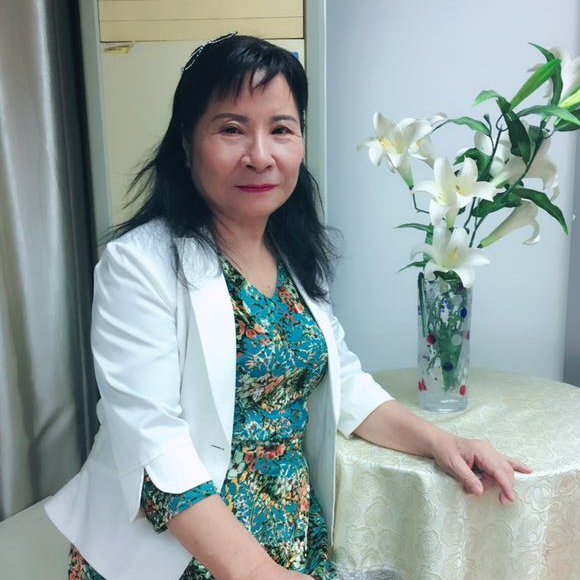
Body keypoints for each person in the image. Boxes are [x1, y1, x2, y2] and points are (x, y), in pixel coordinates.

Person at [45, 34, 531, 580]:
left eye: (281, 129)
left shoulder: (292, 252)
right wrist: (256, 571)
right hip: (181, 547)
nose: (260, 155)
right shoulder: (138, 264)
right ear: (186, 143)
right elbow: (154, 446)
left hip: (288, 533)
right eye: (231, 129)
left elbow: (345, 383)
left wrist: (444, 442)